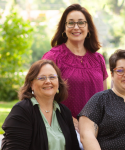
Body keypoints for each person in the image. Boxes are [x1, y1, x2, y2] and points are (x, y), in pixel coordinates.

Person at [42, 4, 108, 132]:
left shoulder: (98, 59)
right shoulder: (53, 57)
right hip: (64, 127)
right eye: (71, 23)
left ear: (88, 28)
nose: (76, 27)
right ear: (64, 28)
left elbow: (104, 97)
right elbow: (41, 94)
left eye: (81, 23)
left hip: (97, 128)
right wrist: (69, 119)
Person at [1, 60, 80, 150]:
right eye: (42, 78)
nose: (48, 81)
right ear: (31, 84)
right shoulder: (22, 111)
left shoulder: (64, 112)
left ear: (58, 82)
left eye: (52, 77)